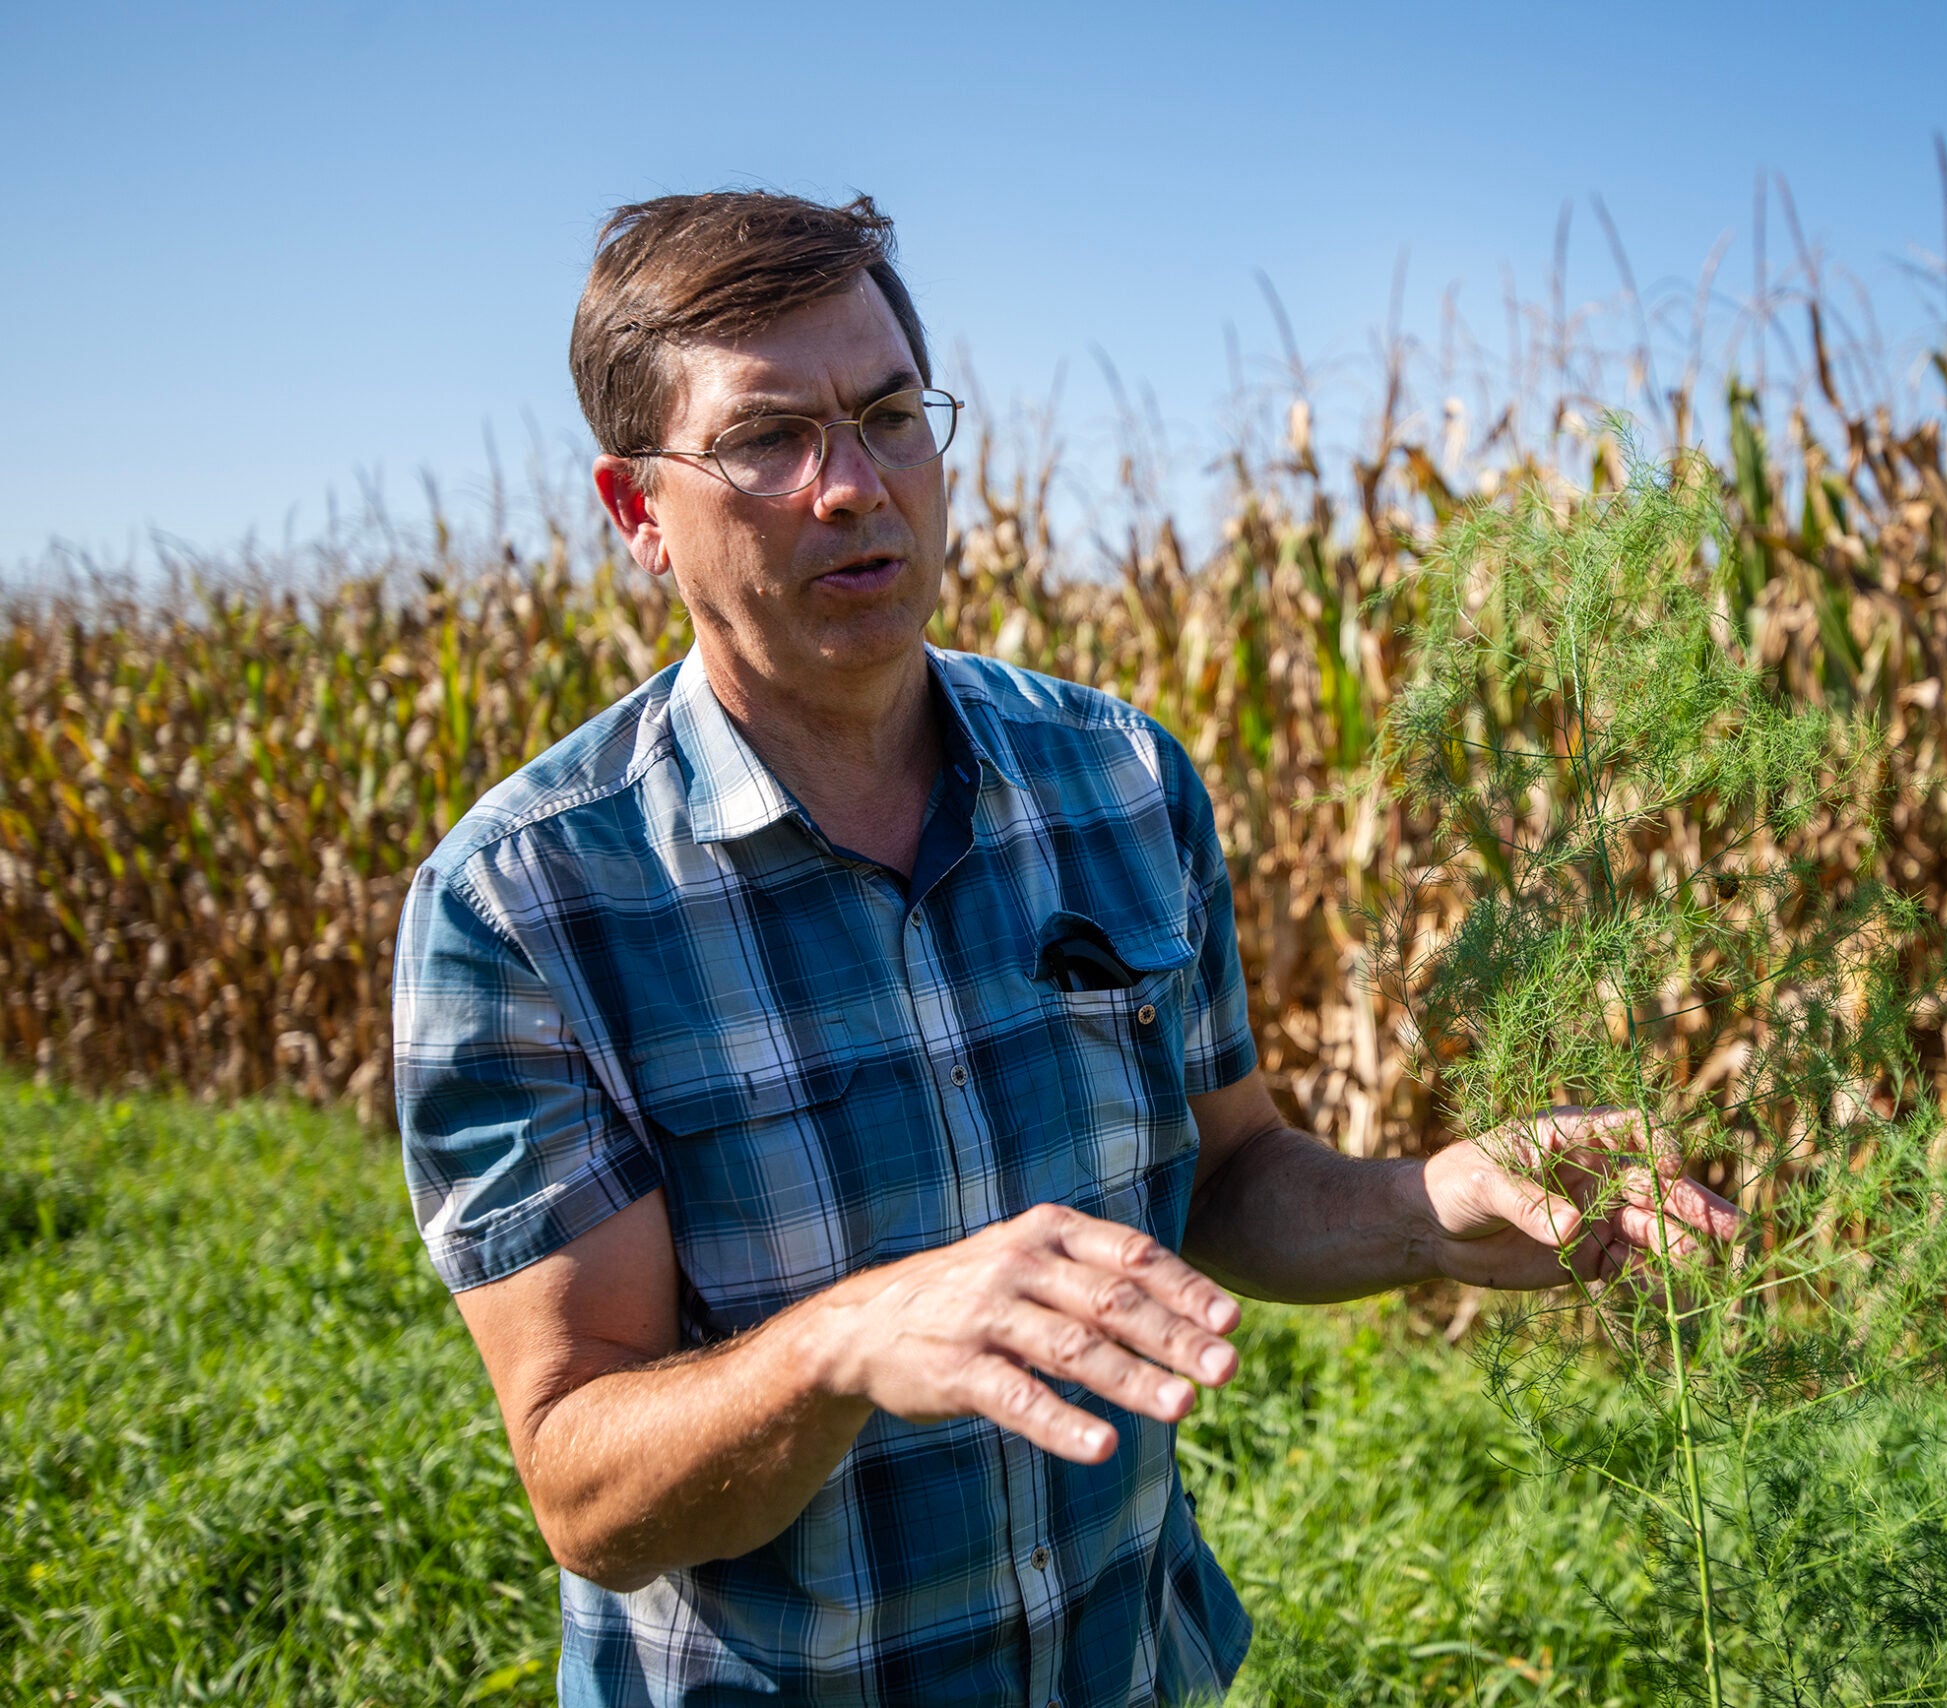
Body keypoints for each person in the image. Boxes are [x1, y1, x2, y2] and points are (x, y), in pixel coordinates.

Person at [393, 188, 1737, 1707]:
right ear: (639, 511)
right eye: (768, 442)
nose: (852, 486)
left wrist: (1431, 1210)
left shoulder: (1117, 781)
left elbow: (1222, 1175)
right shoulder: (524, 904)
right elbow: (587, 1491)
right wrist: (843, 1340)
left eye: (890, 414)